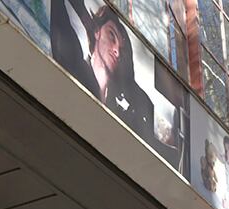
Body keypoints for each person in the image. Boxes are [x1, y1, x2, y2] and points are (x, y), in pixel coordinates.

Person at [50, 0, 154, 142]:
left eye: (122, 50)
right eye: (112, 35)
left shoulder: (121, 110)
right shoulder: (75, 65)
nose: (116, 50)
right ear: (97, 31)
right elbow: (60, 21)